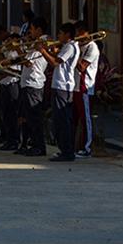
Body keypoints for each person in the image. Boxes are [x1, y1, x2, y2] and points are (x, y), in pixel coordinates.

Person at [38, 22, 80, 162]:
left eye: (60, 33)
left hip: (63, 86)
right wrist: (48, 51)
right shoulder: (67, 47)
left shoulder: (70, 47)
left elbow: (56, 63)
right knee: (60, 119)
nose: (58, 36)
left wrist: (43, 51)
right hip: (60, 86)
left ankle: (67, 152)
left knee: (62, 120)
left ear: (67, 35)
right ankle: (64, 150)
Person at [16, 17, 50, 157]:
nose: (30, 32)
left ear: (39, 30)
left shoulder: (43, 43)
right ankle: (30, 144)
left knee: (34, 117)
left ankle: (39, 146)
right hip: (27, 82)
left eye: (32, 29)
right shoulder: (35, 43)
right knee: (27, 117)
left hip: (34, 83)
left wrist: (18, 50)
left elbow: (29, 63)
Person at [74, 20, 99, 158]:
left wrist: (75, 52)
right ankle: (74, 146)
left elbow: (82, 67)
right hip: (75, 86)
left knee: (86, 119)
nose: (78, 35)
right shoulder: (79, 46)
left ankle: (87, 147)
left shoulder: (92, 47)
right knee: (75, 118)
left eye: (80, 32)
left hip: (85, 87)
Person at [0, 33, 22, 151]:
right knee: (5, 113)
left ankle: (14, 140)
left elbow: (17, 68)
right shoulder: (7, 50)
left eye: (12, 40)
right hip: (4, 83)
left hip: (13, 83)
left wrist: (4, 69)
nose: (10, 42)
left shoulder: (18, 52)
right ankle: (7, 137)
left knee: (12, 114)